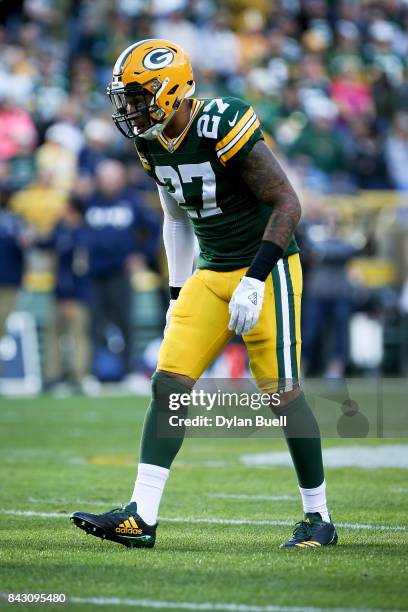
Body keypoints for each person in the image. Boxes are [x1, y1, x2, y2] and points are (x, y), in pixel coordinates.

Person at [71, 39, 337, 550]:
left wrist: (256, 280)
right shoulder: (149, 143)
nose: (128, 108)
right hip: (211, 272)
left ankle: (318, 516)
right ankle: (141, 516)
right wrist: (176, 293)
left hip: (269, 266)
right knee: (169, 383)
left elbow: (287, 204)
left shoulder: (220, 121)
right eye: (124, 98)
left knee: (282, 394)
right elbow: (176, 218)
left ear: (170, 91)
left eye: (137, 96)